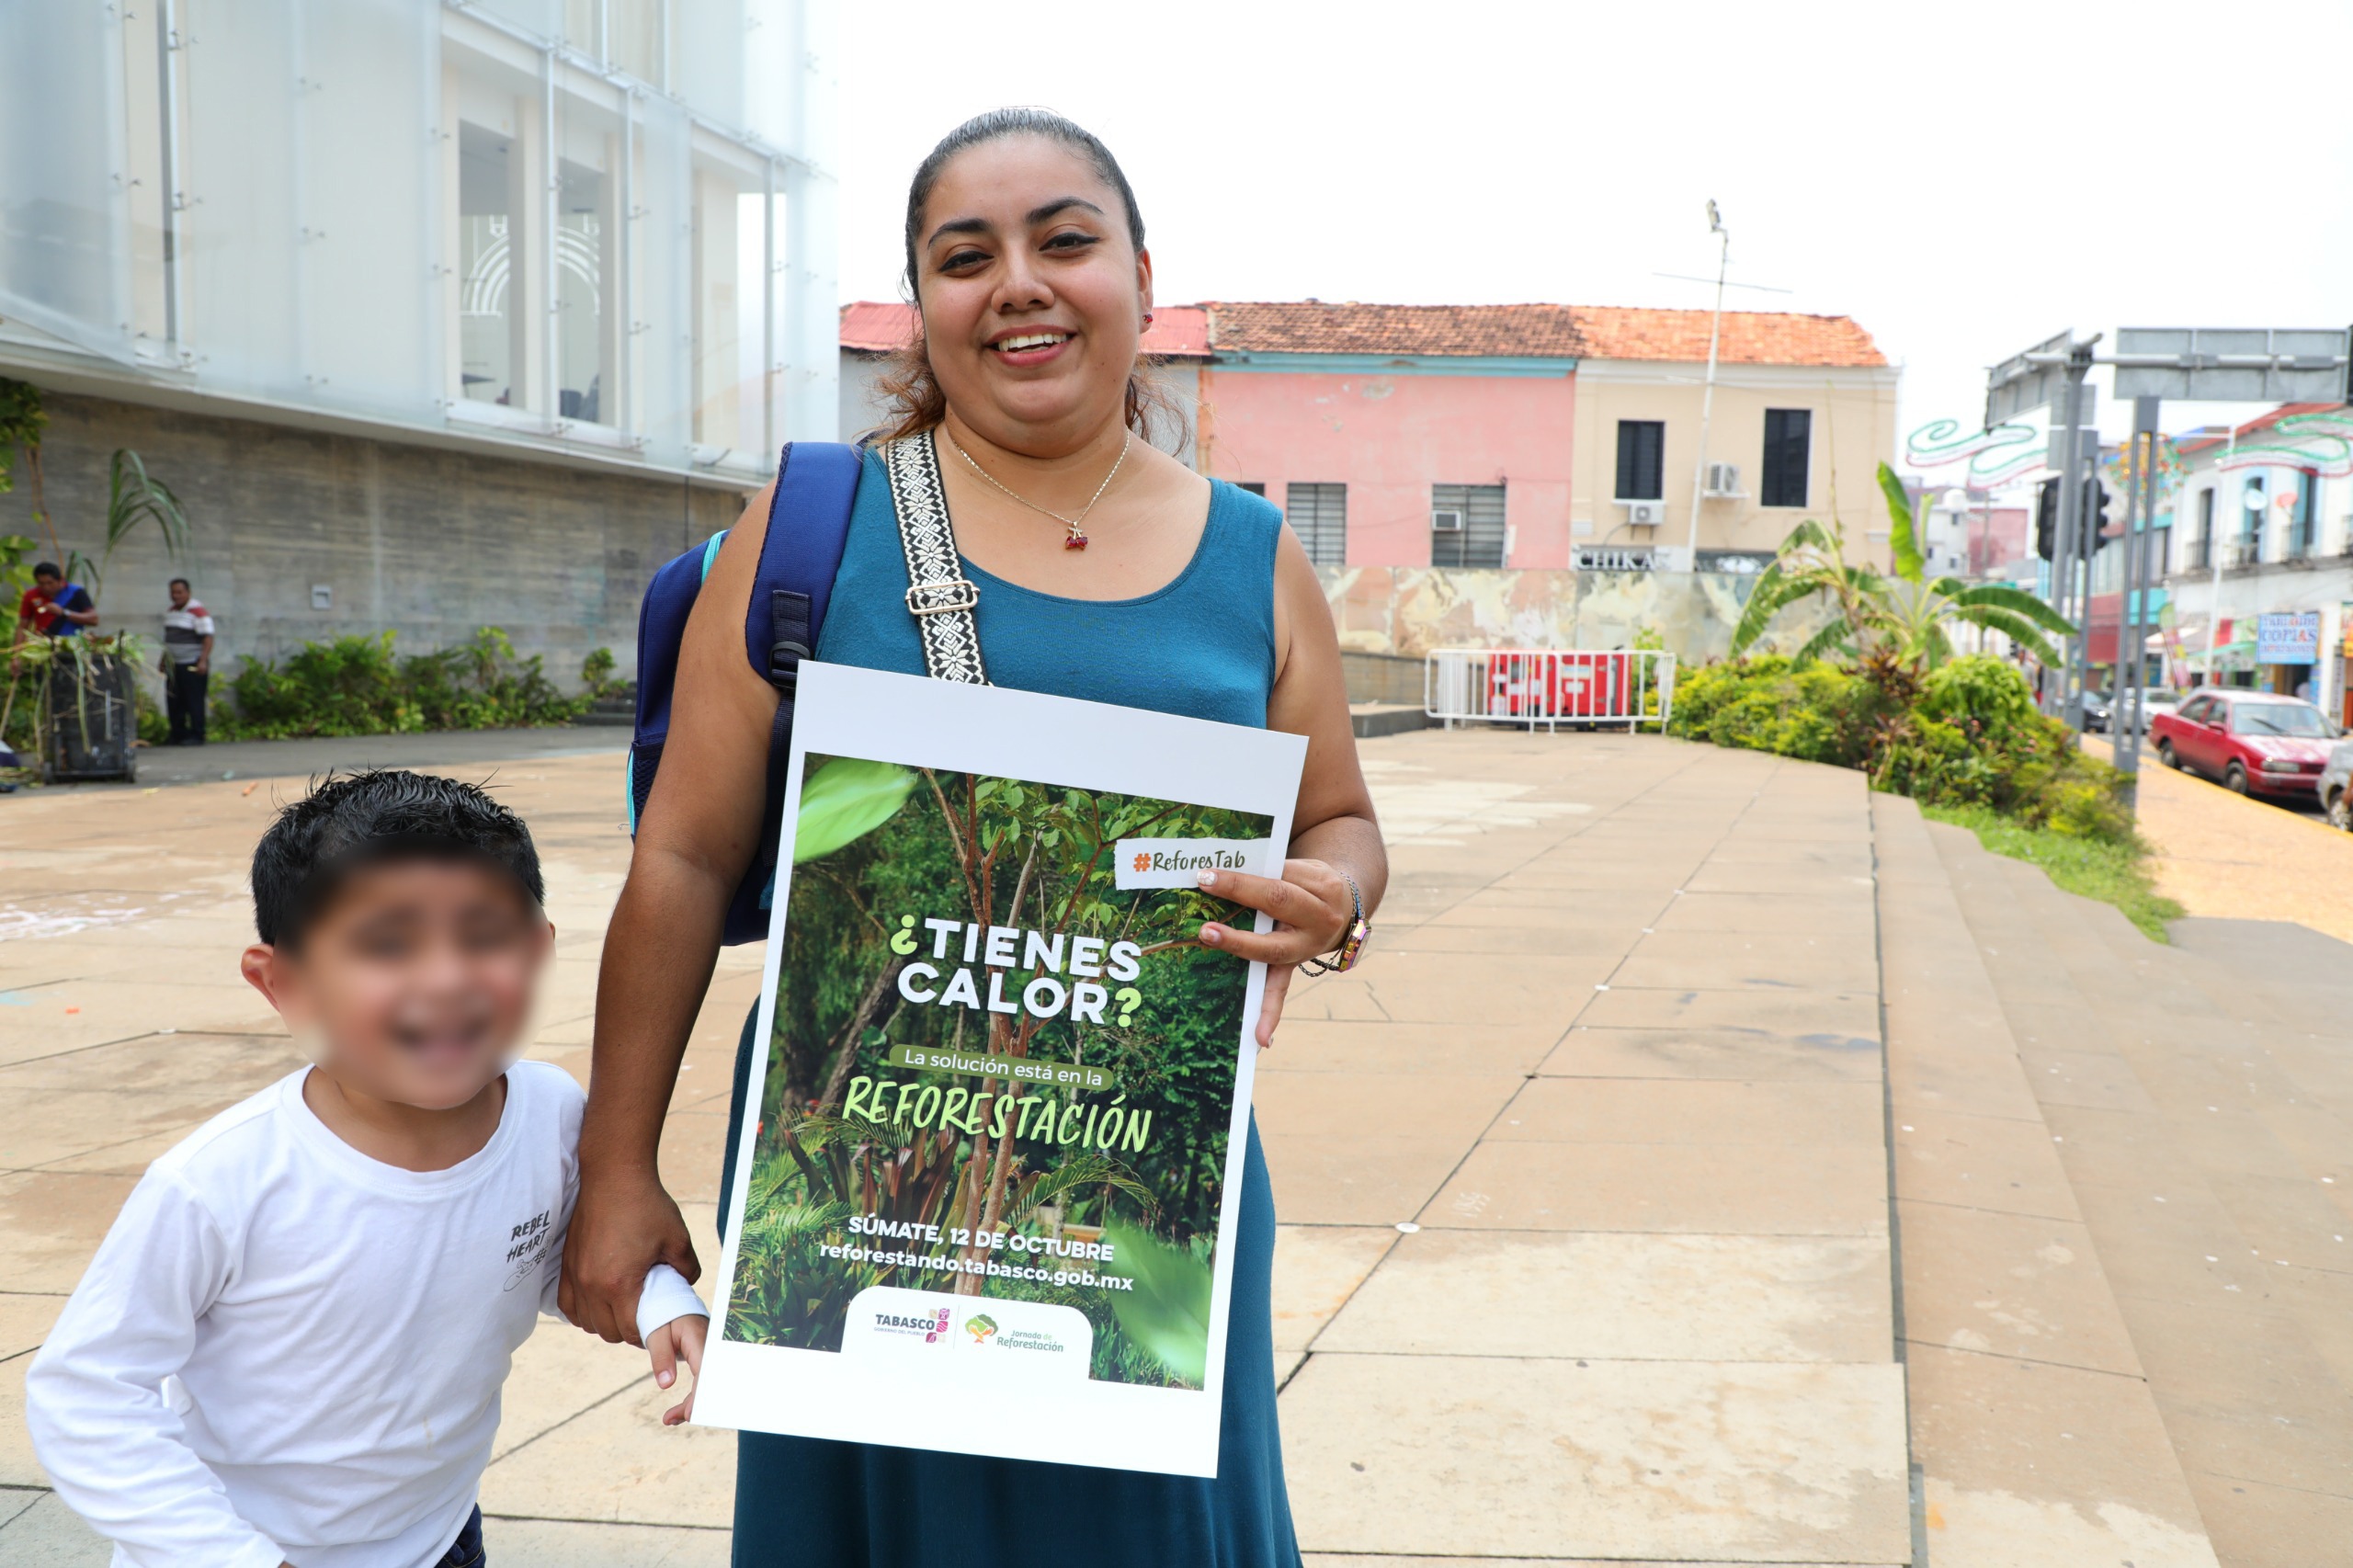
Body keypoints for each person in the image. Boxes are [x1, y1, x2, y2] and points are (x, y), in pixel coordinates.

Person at [561, 108, 1387, 1567]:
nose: (1019, 281)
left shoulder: (1254, 556)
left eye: (1065, 240)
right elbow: (682, 857)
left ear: (1141, 275)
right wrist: (616, 1168)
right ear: (920, 309)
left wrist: (1335, 896)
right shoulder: (817, 528)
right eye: (966, 256)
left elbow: (1339, 817)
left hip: (1142, 1185)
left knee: (1148, 1526)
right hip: (863, 1174)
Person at [27, 770, 710, 1568]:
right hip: (237, 1549)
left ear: (538, 951)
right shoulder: (221, 1183)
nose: (448, 978)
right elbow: (88, 1394)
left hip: (436, 1538)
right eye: (387, 945)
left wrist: (661, 1302)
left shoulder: (551, 1115)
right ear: (284, 983)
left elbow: (557, 1252)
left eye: (485, 936)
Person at [160, 575, 216, 744]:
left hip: (192, 663)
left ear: (188, 592)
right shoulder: (171, 612)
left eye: (179, 592)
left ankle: (197, 735)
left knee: (194, 700)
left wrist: (203, 661)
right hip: (174, 664)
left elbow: (208, 637)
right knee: (174, 701)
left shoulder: (198, 612)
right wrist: (164, 660)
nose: (176, 596)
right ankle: (178, 734)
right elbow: (169, 639)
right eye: (173, 592)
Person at [17, 560, 96, 639]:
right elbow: (23, 626)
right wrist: (17, 649)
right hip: (43, 643)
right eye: (41, 583)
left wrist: (63, 612)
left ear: (60, 580)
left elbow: (93, 619)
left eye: (50, 583)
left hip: (72, 643)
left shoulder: (76, 592)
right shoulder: (31, 595)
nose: (46, 587)